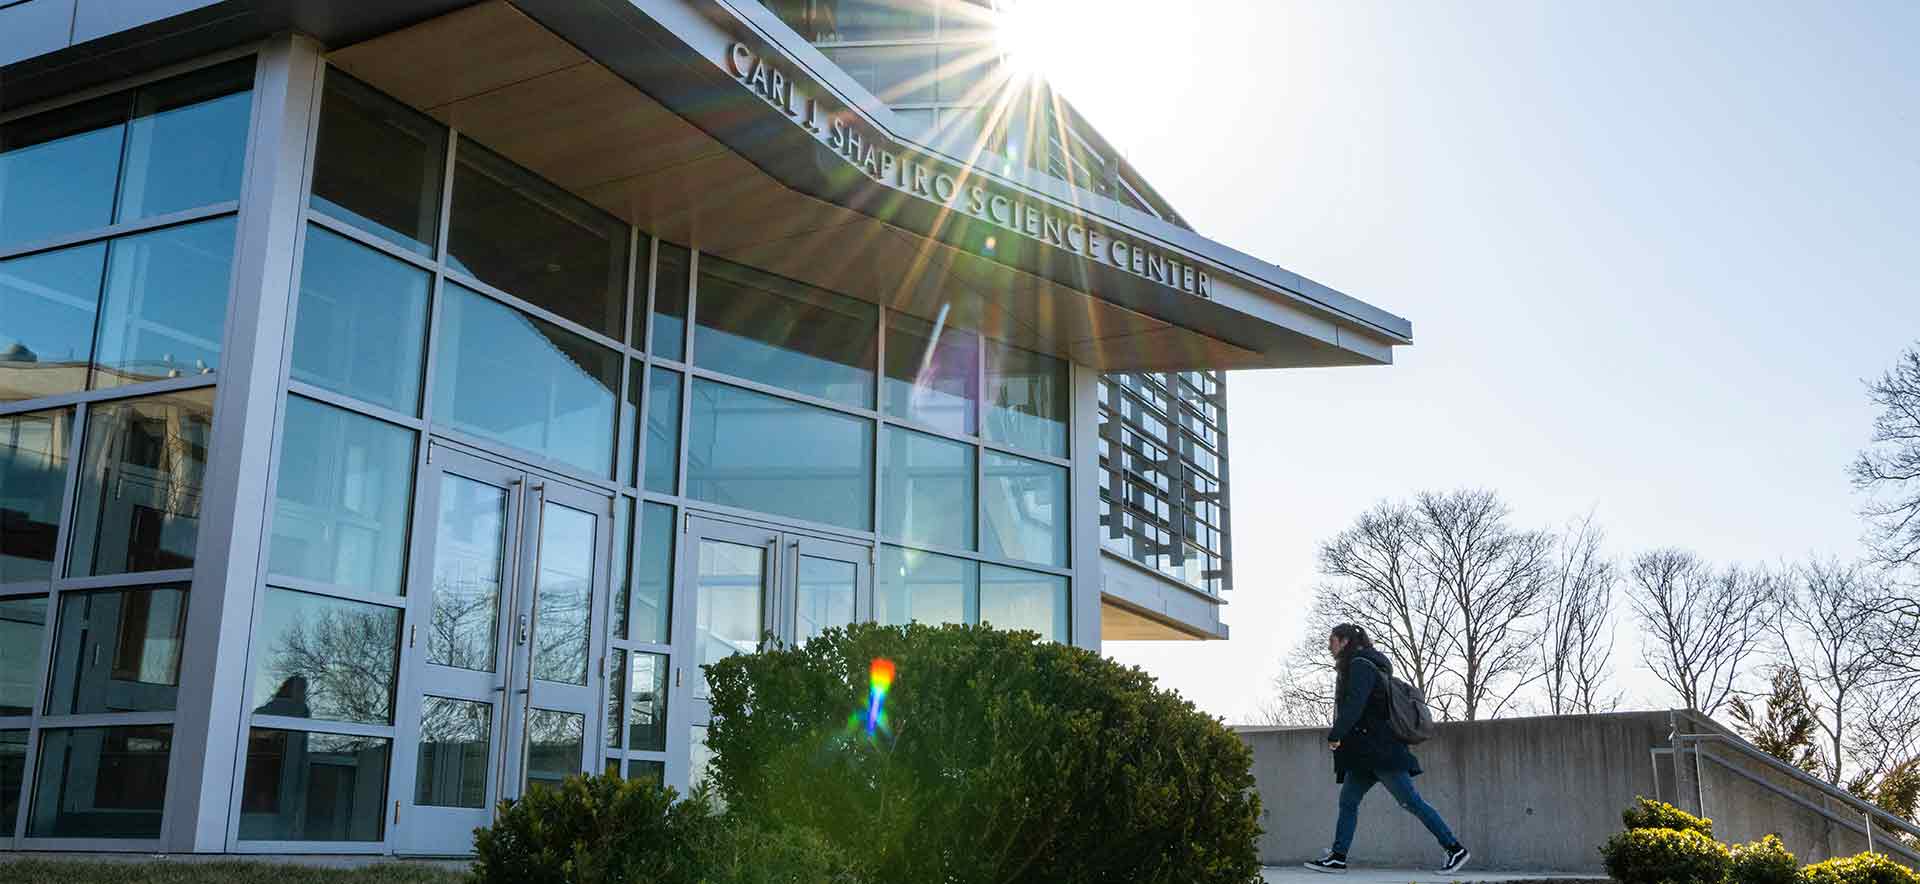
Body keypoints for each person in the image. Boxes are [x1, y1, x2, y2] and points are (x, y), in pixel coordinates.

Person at [1303, 623, 1471, 875]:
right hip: (1365, 753)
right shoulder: (1361, 665)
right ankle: (1338, 857)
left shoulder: (1361, 665)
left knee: (1410, 801)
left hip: (1380, 751)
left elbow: (1355, 704)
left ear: (1345, 641)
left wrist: (1336, 733)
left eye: (1332, 641)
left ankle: (1455, 848)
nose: (1329, 646)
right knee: (1348, 800)